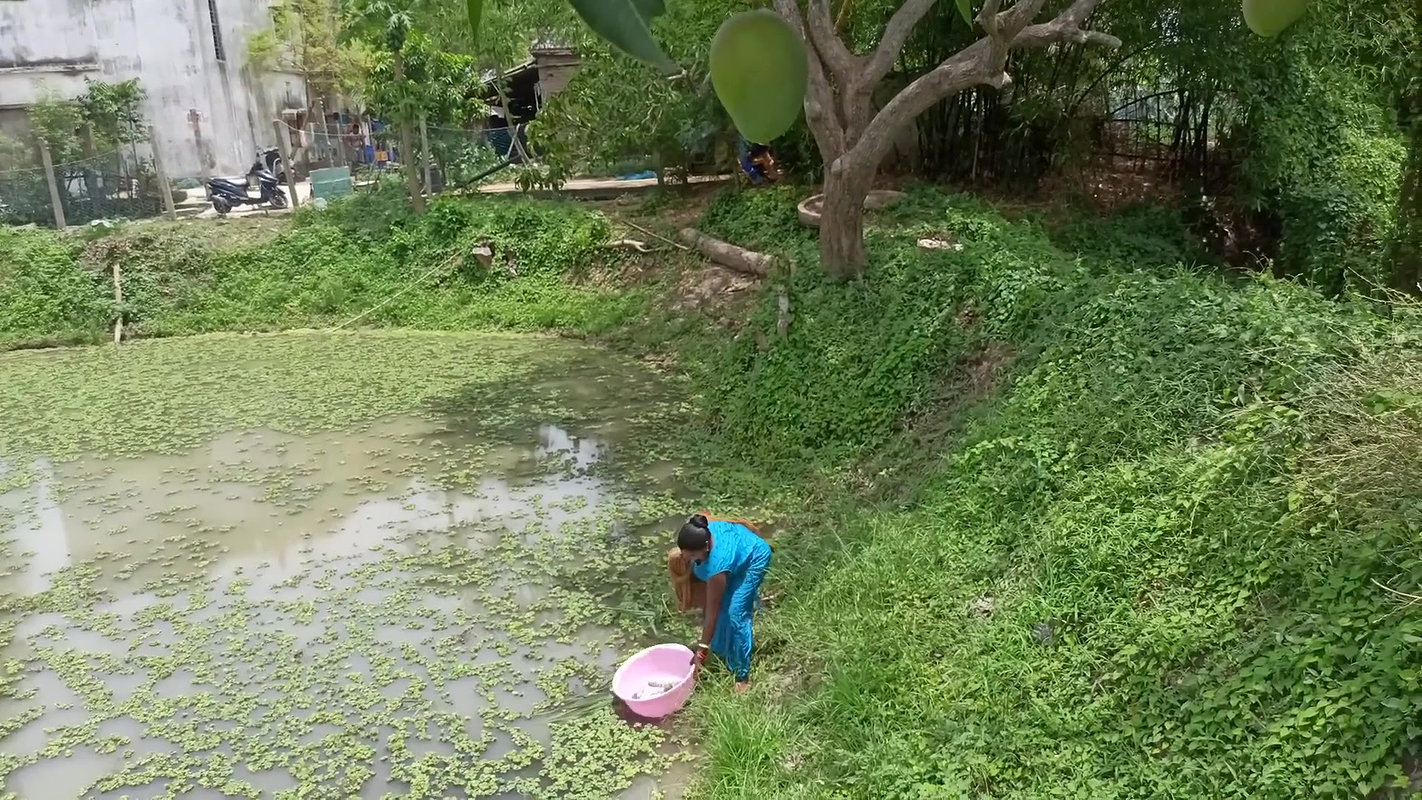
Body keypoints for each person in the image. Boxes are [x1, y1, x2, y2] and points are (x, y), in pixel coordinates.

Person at [671, 512, 772, 693]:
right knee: (726, 604)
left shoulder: (717, 567)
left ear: (707, 546)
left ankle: (742, 675)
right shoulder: (701, 529)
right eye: (686, 554)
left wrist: (701, 649)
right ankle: (722, 651)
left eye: (693, 555)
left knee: (735, 614)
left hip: (754, 559)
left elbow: (712, 612)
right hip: (736, 555)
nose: (688, 558)